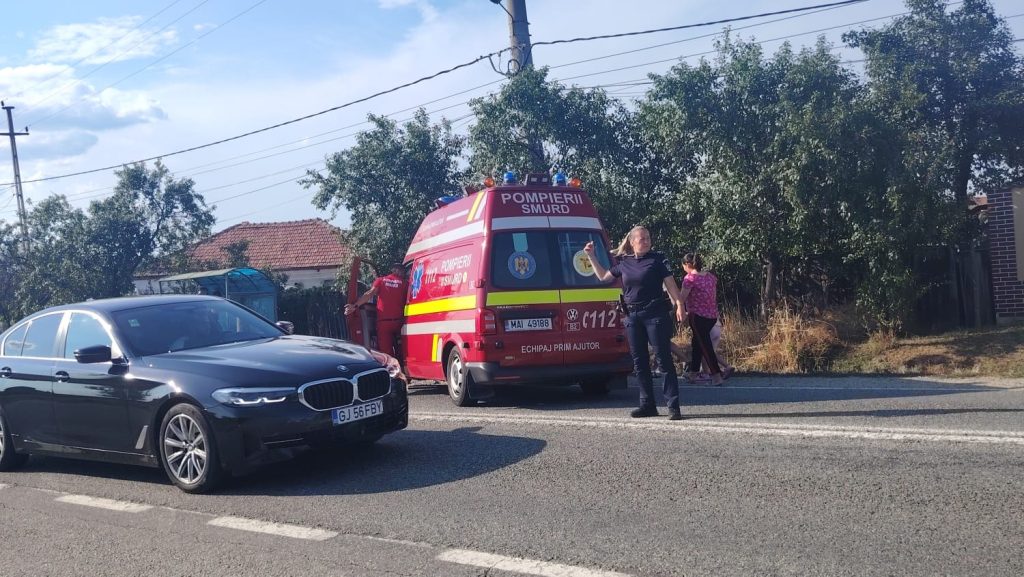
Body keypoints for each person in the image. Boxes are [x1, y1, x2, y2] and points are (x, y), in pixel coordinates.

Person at [584, 226, 685, 420]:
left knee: (663, 360)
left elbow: (671, 284)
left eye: (648, 238)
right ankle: (647, 405)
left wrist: (679, 304)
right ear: (632, 242)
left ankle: (673, 406)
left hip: (655, 314)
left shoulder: (658, 259)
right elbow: (603, 277)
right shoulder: (624, 262)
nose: (646, 241)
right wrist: (591, 256)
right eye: (642, 238)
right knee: (639, 362)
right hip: (632, 316)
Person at [344, 263, 408, 360]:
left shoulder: (381, 280)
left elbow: (369, 294)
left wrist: (355, 306)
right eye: (403, 271)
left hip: (384, 323)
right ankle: (403, 363)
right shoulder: (405, 283)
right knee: (403, 349)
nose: (403, 273)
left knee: (387, 355)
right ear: (398, 271)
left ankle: (391, 368)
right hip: (399, 322)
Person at [680, 253, 724, 386]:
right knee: (697, 344)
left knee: (705, 346)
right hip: (712, 315)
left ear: (688, 265)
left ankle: (716, 375)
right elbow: (713, 296)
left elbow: (681, 298)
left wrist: (678, 308)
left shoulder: (690, 279)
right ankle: (693, 373)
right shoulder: (710, 277)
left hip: (698, 316)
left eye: (683, 265)